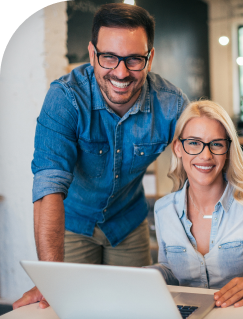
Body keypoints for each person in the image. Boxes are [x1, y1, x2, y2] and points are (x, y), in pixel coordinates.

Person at [13, 3, 189, 309]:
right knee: (70, 307)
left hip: (128, 222)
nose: (121, 72)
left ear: (150, 57)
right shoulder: (65, 98)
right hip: (71, 223)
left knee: (136, 308)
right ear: (92, 53)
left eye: (134, 59)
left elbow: (211, 163)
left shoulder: (171, 104)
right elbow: (48, 187)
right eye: (109, 57)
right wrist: (51, 278)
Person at [149, 100, 243, 307]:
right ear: (178, 148)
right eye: (194, 143)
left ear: (228, 150)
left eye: (216, 144)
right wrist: (146, 275)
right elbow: (170, 271)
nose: (206, 155)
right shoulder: (164, 209)